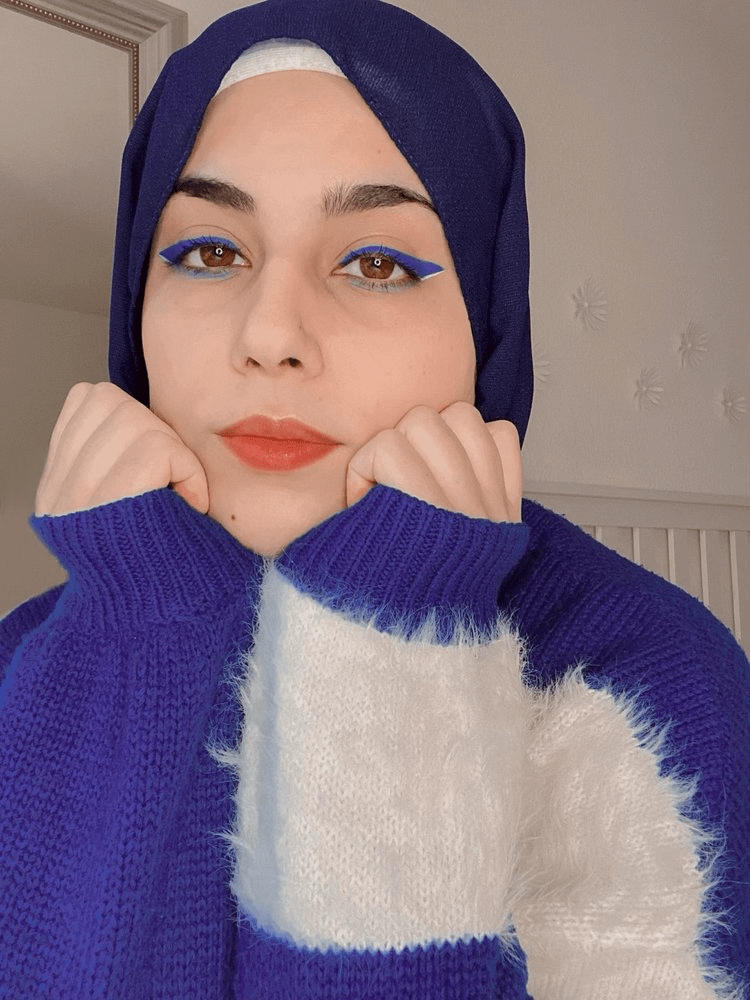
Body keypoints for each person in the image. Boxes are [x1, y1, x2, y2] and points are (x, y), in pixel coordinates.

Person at [1, 1, 747, 997]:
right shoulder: (26, 652)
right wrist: (132, 640)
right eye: (210, 252)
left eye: (377, 263)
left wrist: (393, 664)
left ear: (483, 326)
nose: (271, 335)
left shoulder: (641, 673)